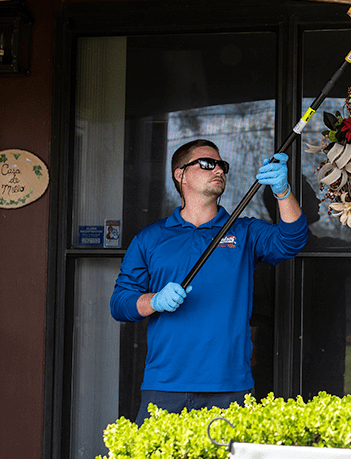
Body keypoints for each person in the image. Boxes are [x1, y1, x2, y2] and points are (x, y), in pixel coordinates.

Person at [110, 139, 308, 425]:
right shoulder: (150, 238)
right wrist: (154, 300)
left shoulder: (244, 231)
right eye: (207, 163)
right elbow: (120, 303)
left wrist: (283, 191)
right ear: (181, 174)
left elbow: (292, 240)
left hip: (229, 385)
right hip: (165, 385)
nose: (218, 169)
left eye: (222, 165)